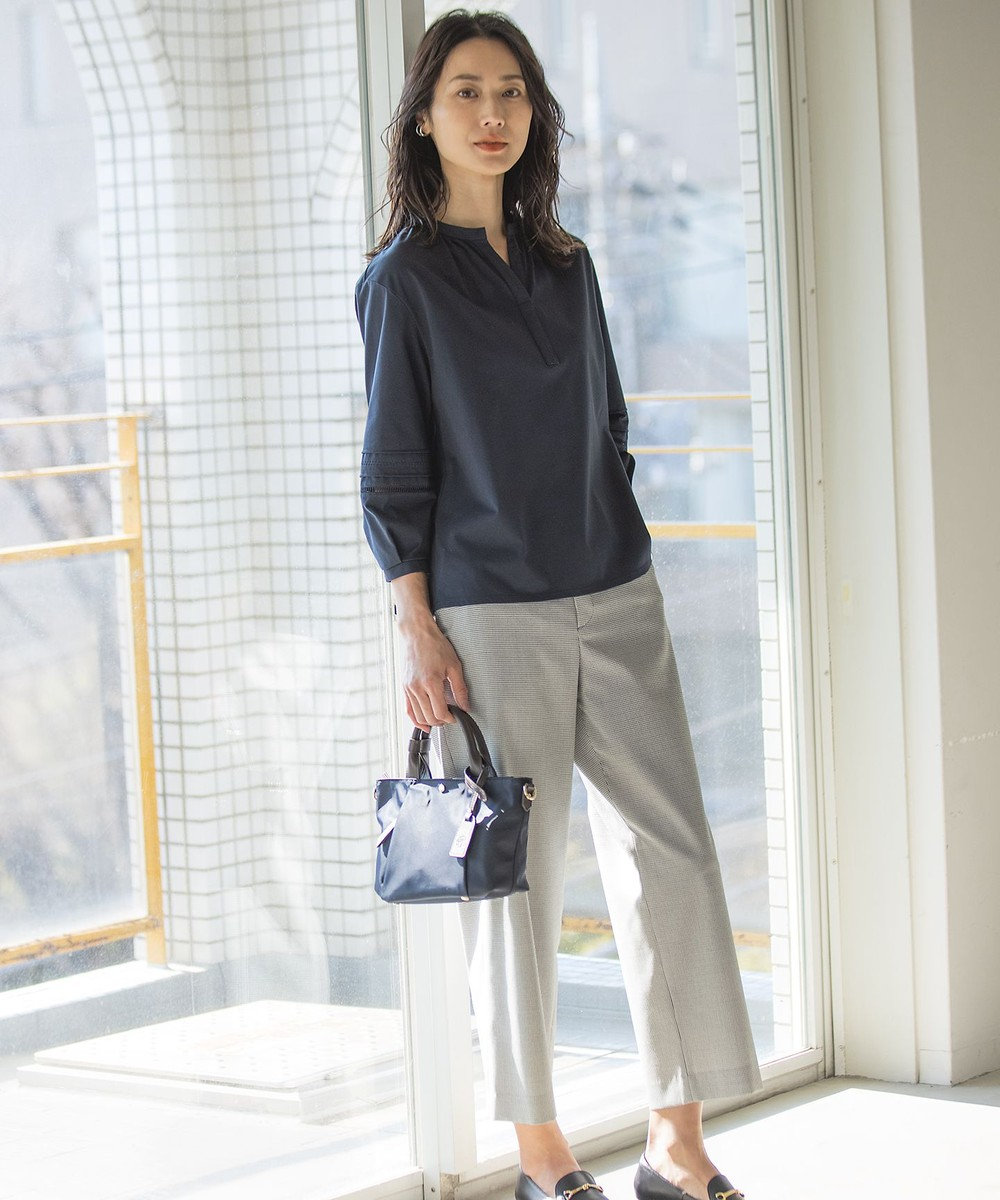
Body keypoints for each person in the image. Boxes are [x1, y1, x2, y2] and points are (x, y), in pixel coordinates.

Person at [354, 10, 765, 1200]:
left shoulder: (568, 263)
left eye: (512, 93)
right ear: (423, 119)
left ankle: (675, 1139)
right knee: (516, 879)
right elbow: (393, 470)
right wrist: (417, 626)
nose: (493, 114)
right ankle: (540, 1154)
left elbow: (609, 422)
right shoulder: (401, 282)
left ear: (535, 115)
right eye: (466, 92)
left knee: (674, 853)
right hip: (490, 618)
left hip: (616, 592)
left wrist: (607, 528)